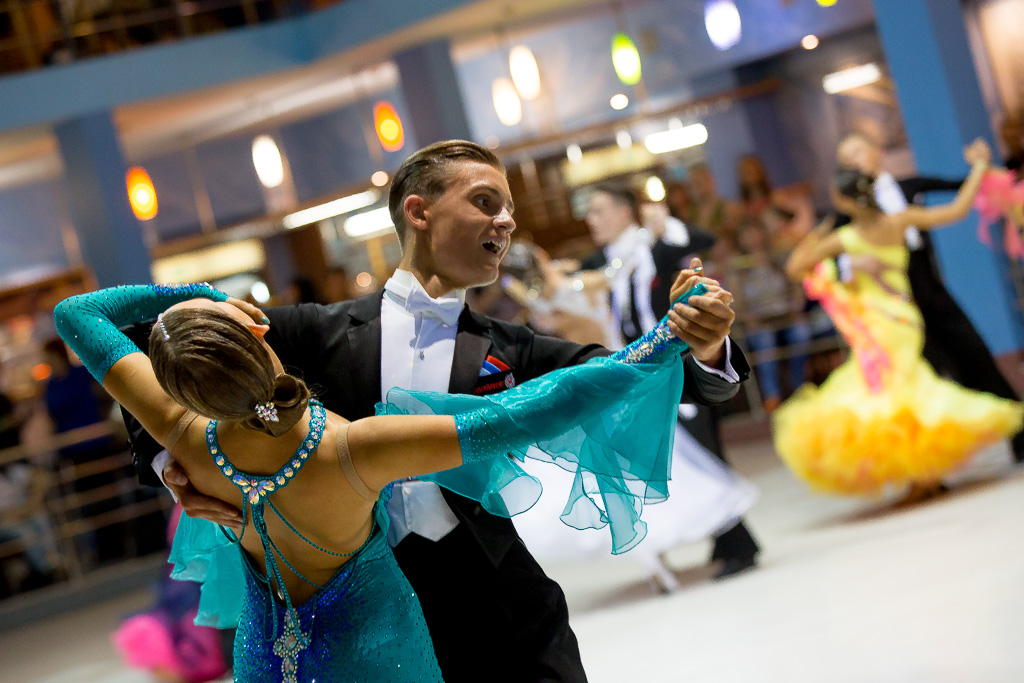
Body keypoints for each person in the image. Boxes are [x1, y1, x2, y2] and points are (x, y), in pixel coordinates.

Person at [120, 140, 746, 682]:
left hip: (501, 603)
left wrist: (704, 345)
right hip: (366, 611)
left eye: (508, 207)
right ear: (418, 212)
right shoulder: (316, 334)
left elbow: (636, 376)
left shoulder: (511, 348)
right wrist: (172, 462)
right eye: (485, 201)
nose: (506, 221)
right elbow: (145, 342)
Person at [56, 273, 711, 681]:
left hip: (266, 656)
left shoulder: (181, 434)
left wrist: (182, 299)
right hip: (375, 650)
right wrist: (659, 344)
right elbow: (528, 411)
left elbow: (77, 314)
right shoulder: (350, 449)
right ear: (257, 328)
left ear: (175, 386)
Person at [776, 139, 1024, 499]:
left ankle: (928, 472)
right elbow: (957, 210)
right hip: (903, 316)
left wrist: (816, 236)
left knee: (906, 386)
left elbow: (797, 267)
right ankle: (925, 474)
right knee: (911, 386)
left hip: (894, 317)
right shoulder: (888, 222)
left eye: (856, 154)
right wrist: (981, 168)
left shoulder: (851, 230)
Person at [580, 185, 760, 581]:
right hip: (639, 375)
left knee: (705, 454)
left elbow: (702, 242)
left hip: (682, 367)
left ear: (625, 212)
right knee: (683, 460)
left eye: (599, 211)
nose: (592, 220)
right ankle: (724, 541)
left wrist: (666, 225)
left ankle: (739, 545)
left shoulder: (654, 249)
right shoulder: (604, 264)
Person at [836, 132, 1024, 462]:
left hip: (929, 291)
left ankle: (1018, 434)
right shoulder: (846, 215)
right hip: (891, 308)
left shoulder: (907, 191)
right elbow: (821, 256)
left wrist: (980, 166)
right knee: (916, 382)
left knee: (974, 356)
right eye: (845, 159)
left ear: (877, 152)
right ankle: (927, 467)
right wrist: (850, 263)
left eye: (857, 151)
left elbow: (958, 197)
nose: (853, 161)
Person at [734, 220, 811, 413]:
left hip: (786, 318)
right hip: (758, 324)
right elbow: (737, 305)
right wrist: (750, 319)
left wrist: (796, 308)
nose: (753, 238)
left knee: (801, 333)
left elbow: (796, 288)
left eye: (755, 232)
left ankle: (799, 387)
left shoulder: (777, 258)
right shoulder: (738, 267)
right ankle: (772, 396)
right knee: (765, 340)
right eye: (747, 234)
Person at [736, 155, 815, 250]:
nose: (751, 175)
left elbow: (804, 189)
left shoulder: (772, 194)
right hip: (766, 237)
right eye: (747, 172)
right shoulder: (745, 205)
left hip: (783, 228)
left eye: (753, 171)